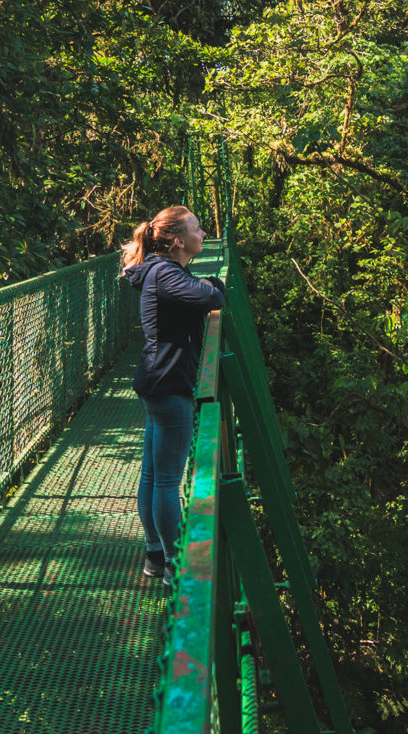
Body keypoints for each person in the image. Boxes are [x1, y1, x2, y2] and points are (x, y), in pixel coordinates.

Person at [121, 205, 224, 586]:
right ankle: (172, 563)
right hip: (169, 384)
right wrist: (215, 288)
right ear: (178, 240)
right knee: (166, 481)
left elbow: (204, 289)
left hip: (157, 381)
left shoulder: (163, 271)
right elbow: (208, 298)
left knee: (152, 476)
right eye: (197, 229)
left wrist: (212, 286)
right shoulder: (165, 272)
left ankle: (154, 554)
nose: (204, 235)